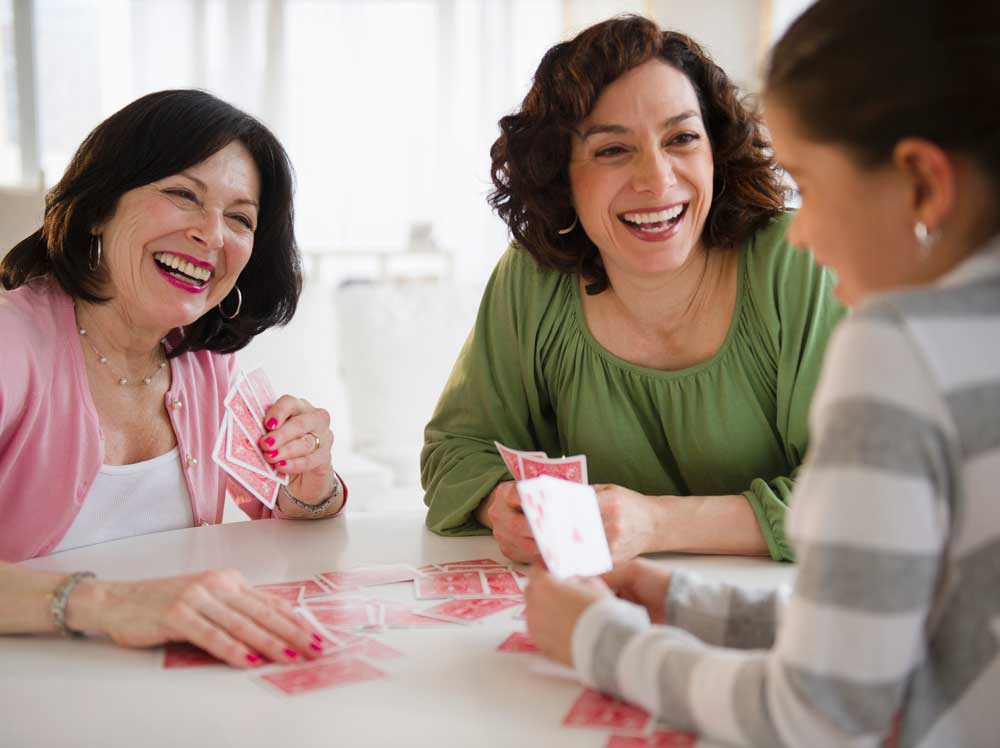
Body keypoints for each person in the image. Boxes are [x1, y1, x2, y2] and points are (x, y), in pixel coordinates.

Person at [525, 1, 1000, 745]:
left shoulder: (896, 350)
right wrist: (684, 600)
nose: (799, 228)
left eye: (809, 181)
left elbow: (822, 713)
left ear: (921, 184)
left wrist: (600, 643)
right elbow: (906, 616)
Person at [421, 16, 843, 564]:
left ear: (716, 150)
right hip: (602, 619)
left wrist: (656, 523)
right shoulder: (533, 277)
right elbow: (453, 454)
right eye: (612, 150)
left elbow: (864, 497)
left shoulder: (796, 260)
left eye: (682, 138)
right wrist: (499, 503)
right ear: (560, 177)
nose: (657, 179)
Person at [0, 90, 346, 668]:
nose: (212, 234)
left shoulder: (202, 358)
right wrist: (108, 603)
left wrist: (313, 484)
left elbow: (284, 512)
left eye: (239, 218)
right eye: (183, 195)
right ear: (99, 207)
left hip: (155, 677)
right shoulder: (12, 344)